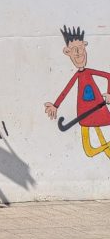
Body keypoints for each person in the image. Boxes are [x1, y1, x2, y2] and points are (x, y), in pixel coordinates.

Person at [45, 26, 110, 158]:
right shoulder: (77, 76)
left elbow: (109, 76)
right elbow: (66, 90)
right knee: (89, 150)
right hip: (84, 113)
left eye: (80, 48)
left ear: (84, 48)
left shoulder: (89, 72)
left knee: (98, 145)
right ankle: (106, 147)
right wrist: (55, 105)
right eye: (74, 50)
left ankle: (106, 147)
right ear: (68, 52)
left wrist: (109, 94)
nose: (78, 53)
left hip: (98, 108)